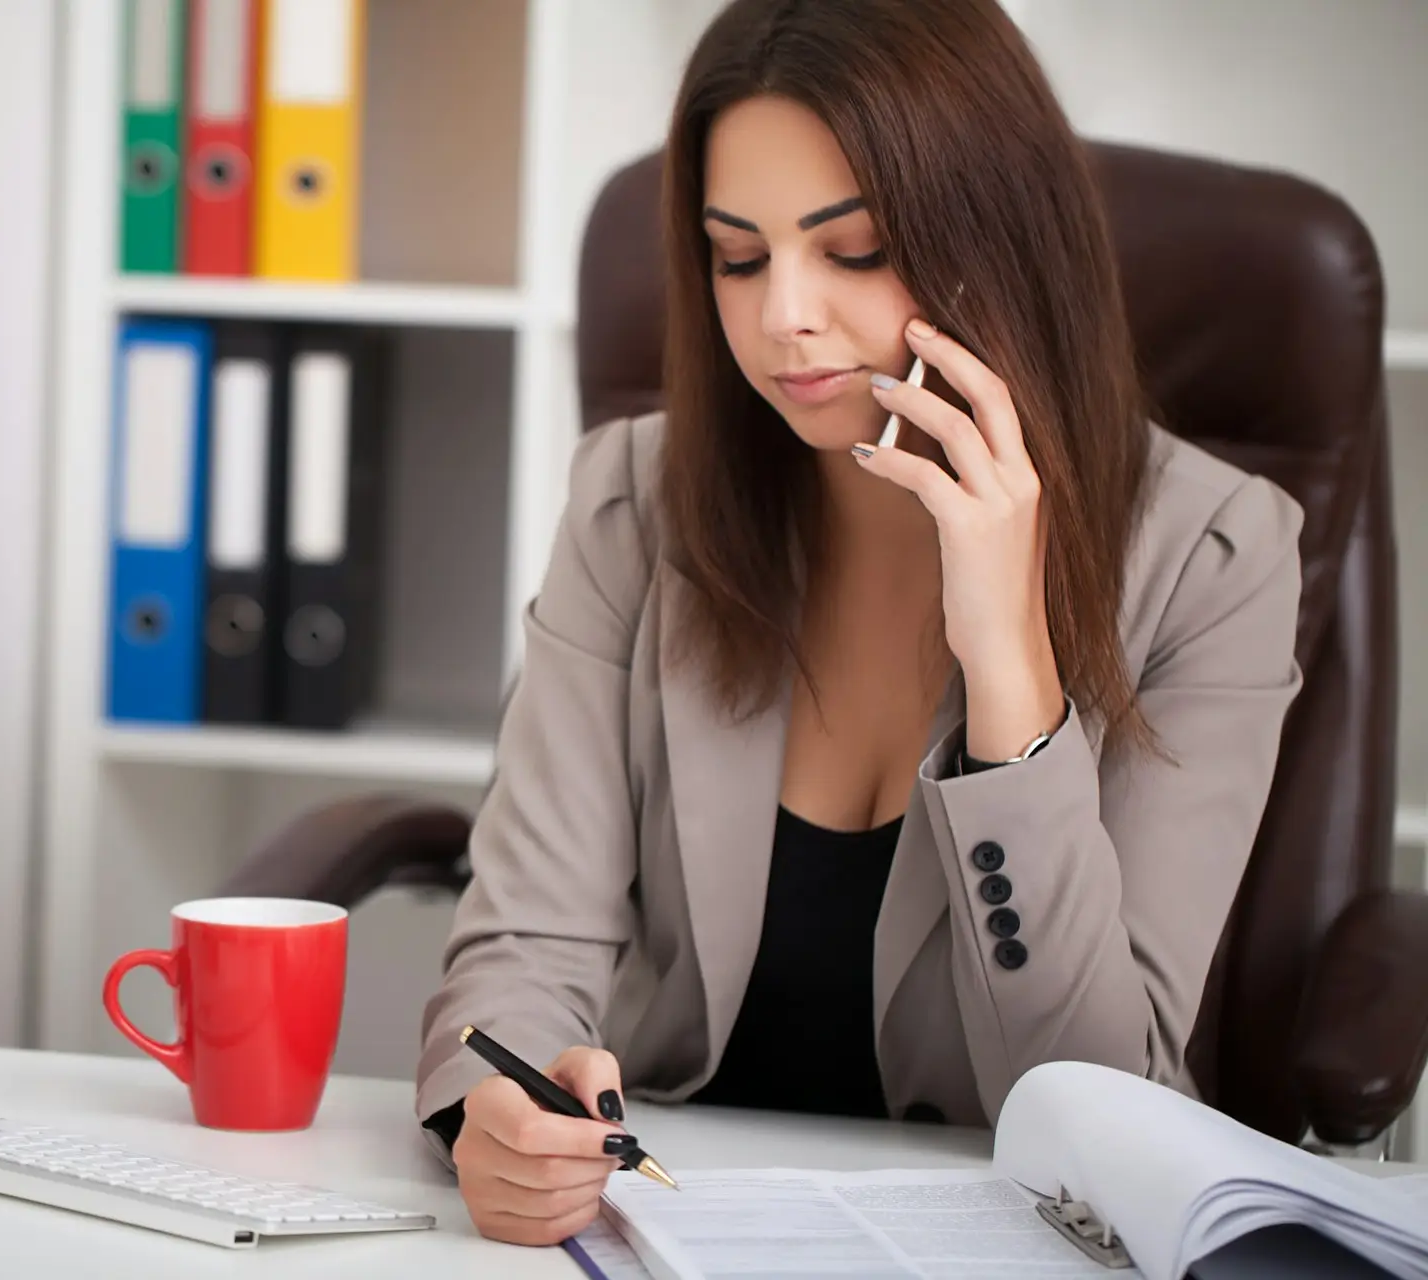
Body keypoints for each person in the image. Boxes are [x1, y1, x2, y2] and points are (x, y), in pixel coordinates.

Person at [413, 0, 1307, 1249]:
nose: (784, 315)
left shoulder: (1216, 554)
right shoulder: (633, 495)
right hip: (663, 1218)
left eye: (856, 247)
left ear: (1002, 237)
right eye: (738, 255)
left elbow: (1110, 1100)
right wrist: (492, 1112)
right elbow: (526, 936)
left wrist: (1011, 673)